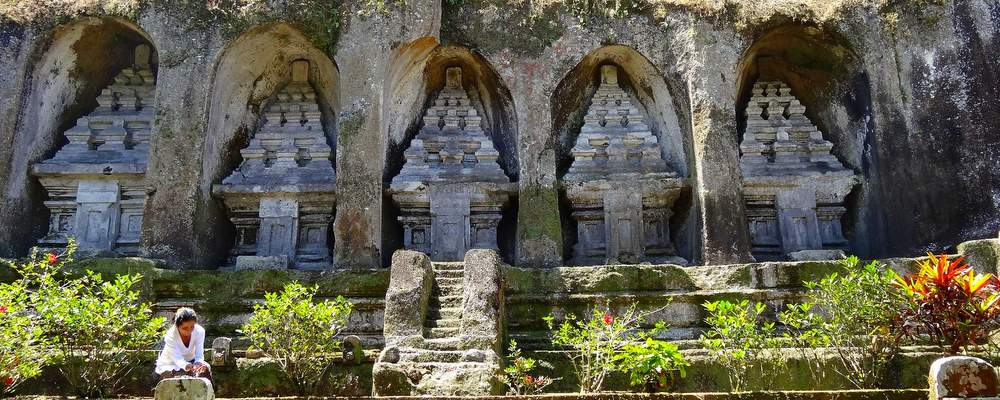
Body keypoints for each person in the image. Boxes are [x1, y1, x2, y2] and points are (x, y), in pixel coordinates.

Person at [155, 307, 211, 381]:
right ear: (177, 326)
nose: (189, 331)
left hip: (191, 361)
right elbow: (177, 359)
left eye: (192, 327)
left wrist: (198, 363)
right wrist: (187, 366)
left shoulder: (199, 331)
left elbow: (199, 354)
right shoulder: (170, 335)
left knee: (205, 368)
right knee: (179, 377)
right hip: (171, 363)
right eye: (185, 328)